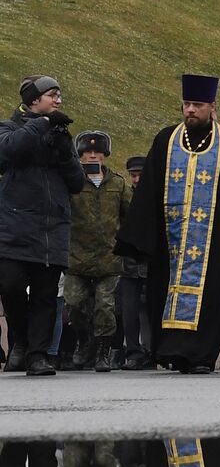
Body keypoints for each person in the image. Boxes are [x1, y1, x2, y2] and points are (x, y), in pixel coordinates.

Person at [115, 75, 220, 374]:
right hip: (171, 238)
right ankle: (169, 351)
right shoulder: (166, 139)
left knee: (211, 297)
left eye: (197, 105)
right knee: (165, 291)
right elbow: (149, 188)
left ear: (212, 107)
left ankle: (202, 356)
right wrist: (138, 238)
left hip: (214, 241)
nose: (190, 110)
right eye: (187, 104)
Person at [0, 75, 84, 376]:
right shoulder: (8, 127)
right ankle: (20, 341)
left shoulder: (59, 132)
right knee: (9, 285)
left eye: (59, 95)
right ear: (34, 100)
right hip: (14, 224)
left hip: (52, 228)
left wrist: (64, 152)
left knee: (45, 295)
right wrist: (42, 123)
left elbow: (76, 183)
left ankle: (37, 355)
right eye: (52, 95)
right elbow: (6, 153)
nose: (59, 101)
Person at [65, 131, 131, 372]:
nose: (92, 156)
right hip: (76, 256)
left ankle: (102, 351)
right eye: (87, 152)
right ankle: (84, 341)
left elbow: (130, 215)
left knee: (105, 307)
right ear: (79, 155)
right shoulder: (71, 183)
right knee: (74, 304)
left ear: (105, 155)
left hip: (109, 257)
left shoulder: (118, 183)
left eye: (97, 152)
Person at [117, 156, 153, 370]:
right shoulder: (124, 196)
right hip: (129, 262)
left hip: (151, 261)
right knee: (129, 310)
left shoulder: (156, 195)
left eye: (140, 175)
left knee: (151, 309)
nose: (137, 179)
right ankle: (133, 351)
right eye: (133, 175)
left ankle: (152, 349)